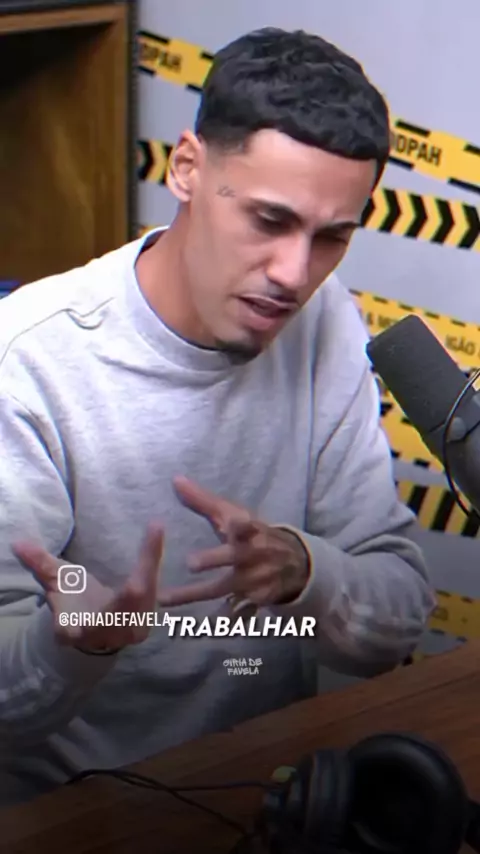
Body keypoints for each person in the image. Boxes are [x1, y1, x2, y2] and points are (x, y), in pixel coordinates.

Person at [0, 26, 435, 805]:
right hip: (76, 814)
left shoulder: (324, 320)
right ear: (186, 168)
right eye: (269, 220)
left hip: (267, 793)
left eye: (332, 238)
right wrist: (73, 644)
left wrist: (306, 572)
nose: (294, 275)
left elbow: (398, 617)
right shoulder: (25, 361)